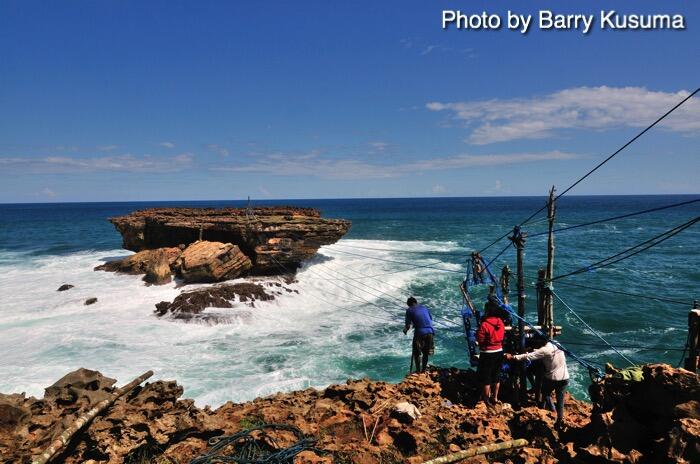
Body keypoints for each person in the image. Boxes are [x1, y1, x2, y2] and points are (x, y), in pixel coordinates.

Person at [505, 336, 570, 429]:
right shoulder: (556, 344)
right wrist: (534, 349)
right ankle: (560, 419)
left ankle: (547, 410)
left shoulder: (544, 350)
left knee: (545, 393)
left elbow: (528, 356)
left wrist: (513, 356)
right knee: (560, 400)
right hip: (565, 378)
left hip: (553, 378)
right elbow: (542, 351)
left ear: (540, 344)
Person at [476, 298, 505, 405]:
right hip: (499, 351)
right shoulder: (500, 322)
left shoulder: (484, 325)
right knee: (496, 376)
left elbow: (480, 339)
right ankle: (495, 397)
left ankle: (486, 400)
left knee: (486, 378)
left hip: (488, 353)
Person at [403, 297, 435, 373]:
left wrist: (405, 330)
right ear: (416, 302)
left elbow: (407, 325)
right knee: (425, 353)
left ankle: (418, 371)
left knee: (416, 353)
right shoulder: (424, 308)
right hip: (430, 332)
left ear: (409, 304)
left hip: (420, 333)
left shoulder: (409, 310)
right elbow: (430, 318)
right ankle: (423, 370)